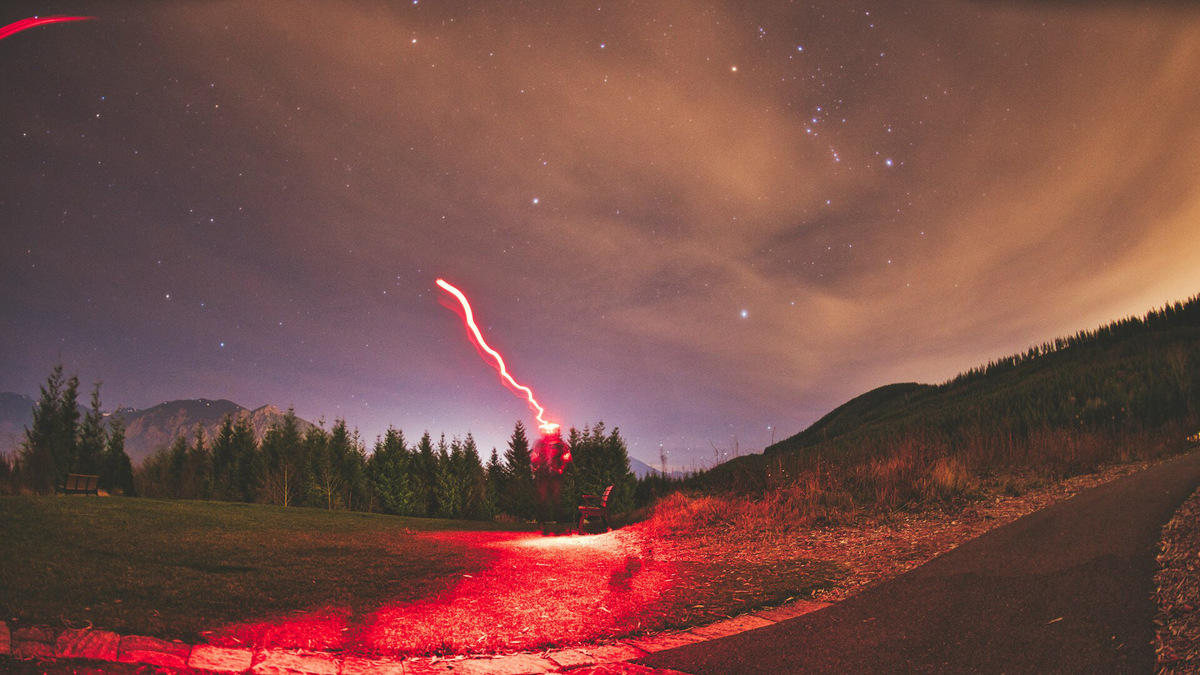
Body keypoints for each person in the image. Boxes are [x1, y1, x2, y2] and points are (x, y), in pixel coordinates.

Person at [530, 428, 571, 532]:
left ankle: (560, 525)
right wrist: (536, 466)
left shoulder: (561, 444)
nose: (550, 432)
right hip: (543, 476)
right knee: (542, 500)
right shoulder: (540, 444)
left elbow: (567, 457)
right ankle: (541, 525)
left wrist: (562, 468)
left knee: (557, 500)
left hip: (555, 476)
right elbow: (534, 457)